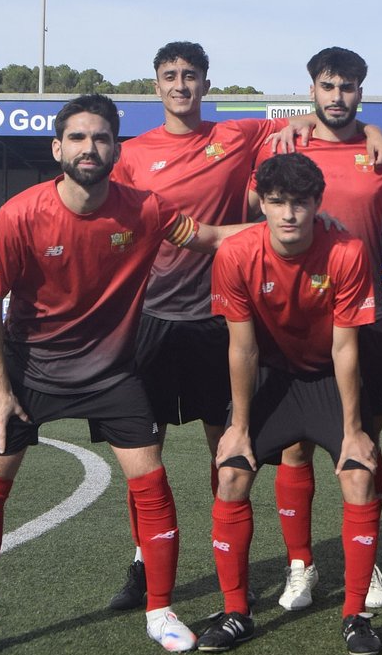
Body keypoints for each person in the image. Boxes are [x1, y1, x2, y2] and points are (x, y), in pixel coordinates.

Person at [0, 93, 244, 655]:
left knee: (150, 484)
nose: (89, 147)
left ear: (115, 148)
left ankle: (160, 611)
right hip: (31, 373)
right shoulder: (21, 213)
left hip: (111, 373)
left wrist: (279, 225)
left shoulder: (144, 208)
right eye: (77, 138)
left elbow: (206, 236)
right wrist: (0, 390)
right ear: (58, 148)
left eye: (100, 138)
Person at [104, 41, 286, 612]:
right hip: (151, 318)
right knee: (144, 449)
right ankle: (142, 563)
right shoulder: (131, 154)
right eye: (169, 76)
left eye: (190, 76)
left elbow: (305, 118)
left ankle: (229, 562)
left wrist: (374, 135)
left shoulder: (234, 136)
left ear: (207, 84)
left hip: (219, 317)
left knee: (227, 446)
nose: (180, 85)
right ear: (155, 85)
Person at [246, 47, 382, 615]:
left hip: (363, 315)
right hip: (291, 318)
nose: (337, 96)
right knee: (294, 449)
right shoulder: (283, 142)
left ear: (361, 92)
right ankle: (301, 564)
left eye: (348, 87)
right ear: (311, 89)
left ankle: (364, 571)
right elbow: (253, 211)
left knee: (364, 443)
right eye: (327, 86)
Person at [204, 153, 382, 655]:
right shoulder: (237, 254)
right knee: (232, 471)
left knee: (358, 471)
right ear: (261, 202)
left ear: (316, 204)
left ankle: (355, 614)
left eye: (300, 203)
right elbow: (242, 347)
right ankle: (236, 610)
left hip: (327, 376)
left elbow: (345, 347)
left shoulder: (347, 251)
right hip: (272, 377)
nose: (288, 214)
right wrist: (238, 426)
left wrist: (353, 430)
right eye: (277, 202)